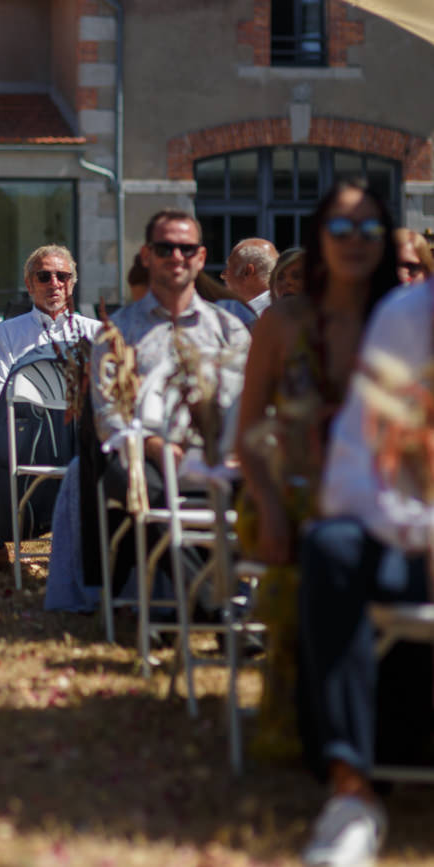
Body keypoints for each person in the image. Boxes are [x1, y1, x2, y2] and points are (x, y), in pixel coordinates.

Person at [236, 178, 400, 762]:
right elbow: (249, 431)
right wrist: (273, 505)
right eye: (339, 228)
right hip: (290, 490)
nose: (354, 240)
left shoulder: (398, 318)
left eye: (368, 229)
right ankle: (310, 725)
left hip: (384, 495)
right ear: (318, 238)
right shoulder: (282, 325)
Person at [296, 279, 430, 867]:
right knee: (332, 546)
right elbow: (351, 476)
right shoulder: (406, 318)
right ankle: (351, 792)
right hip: (409, 531)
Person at [91, 209, 250, 597]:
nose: (176, 256)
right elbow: (108, 415)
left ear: (200, 256)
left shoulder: (229, 329)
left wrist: (240, 451)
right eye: (165, 248)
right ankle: (221, 607)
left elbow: (253, 404)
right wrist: (155, 446)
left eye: (186, 248)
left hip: (221, 455)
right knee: (140, 485)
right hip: (144, 457)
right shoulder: (117, 333)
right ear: (147, 256)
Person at [0, 245, 99, 576]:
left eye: (63, 276)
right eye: (44, 276)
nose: (54, 283)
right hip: (20, 429)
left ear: (72, 284)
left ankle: (94, 543)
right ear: (29, 284)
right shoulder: (7, 332)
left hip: (75, 433)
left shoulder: (95, 333)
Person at [221, 237, 278, 316]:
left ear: (247, 272)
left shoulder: (268, 316)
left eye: (229, 269)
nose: (223, 275)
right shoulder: (284, 308)